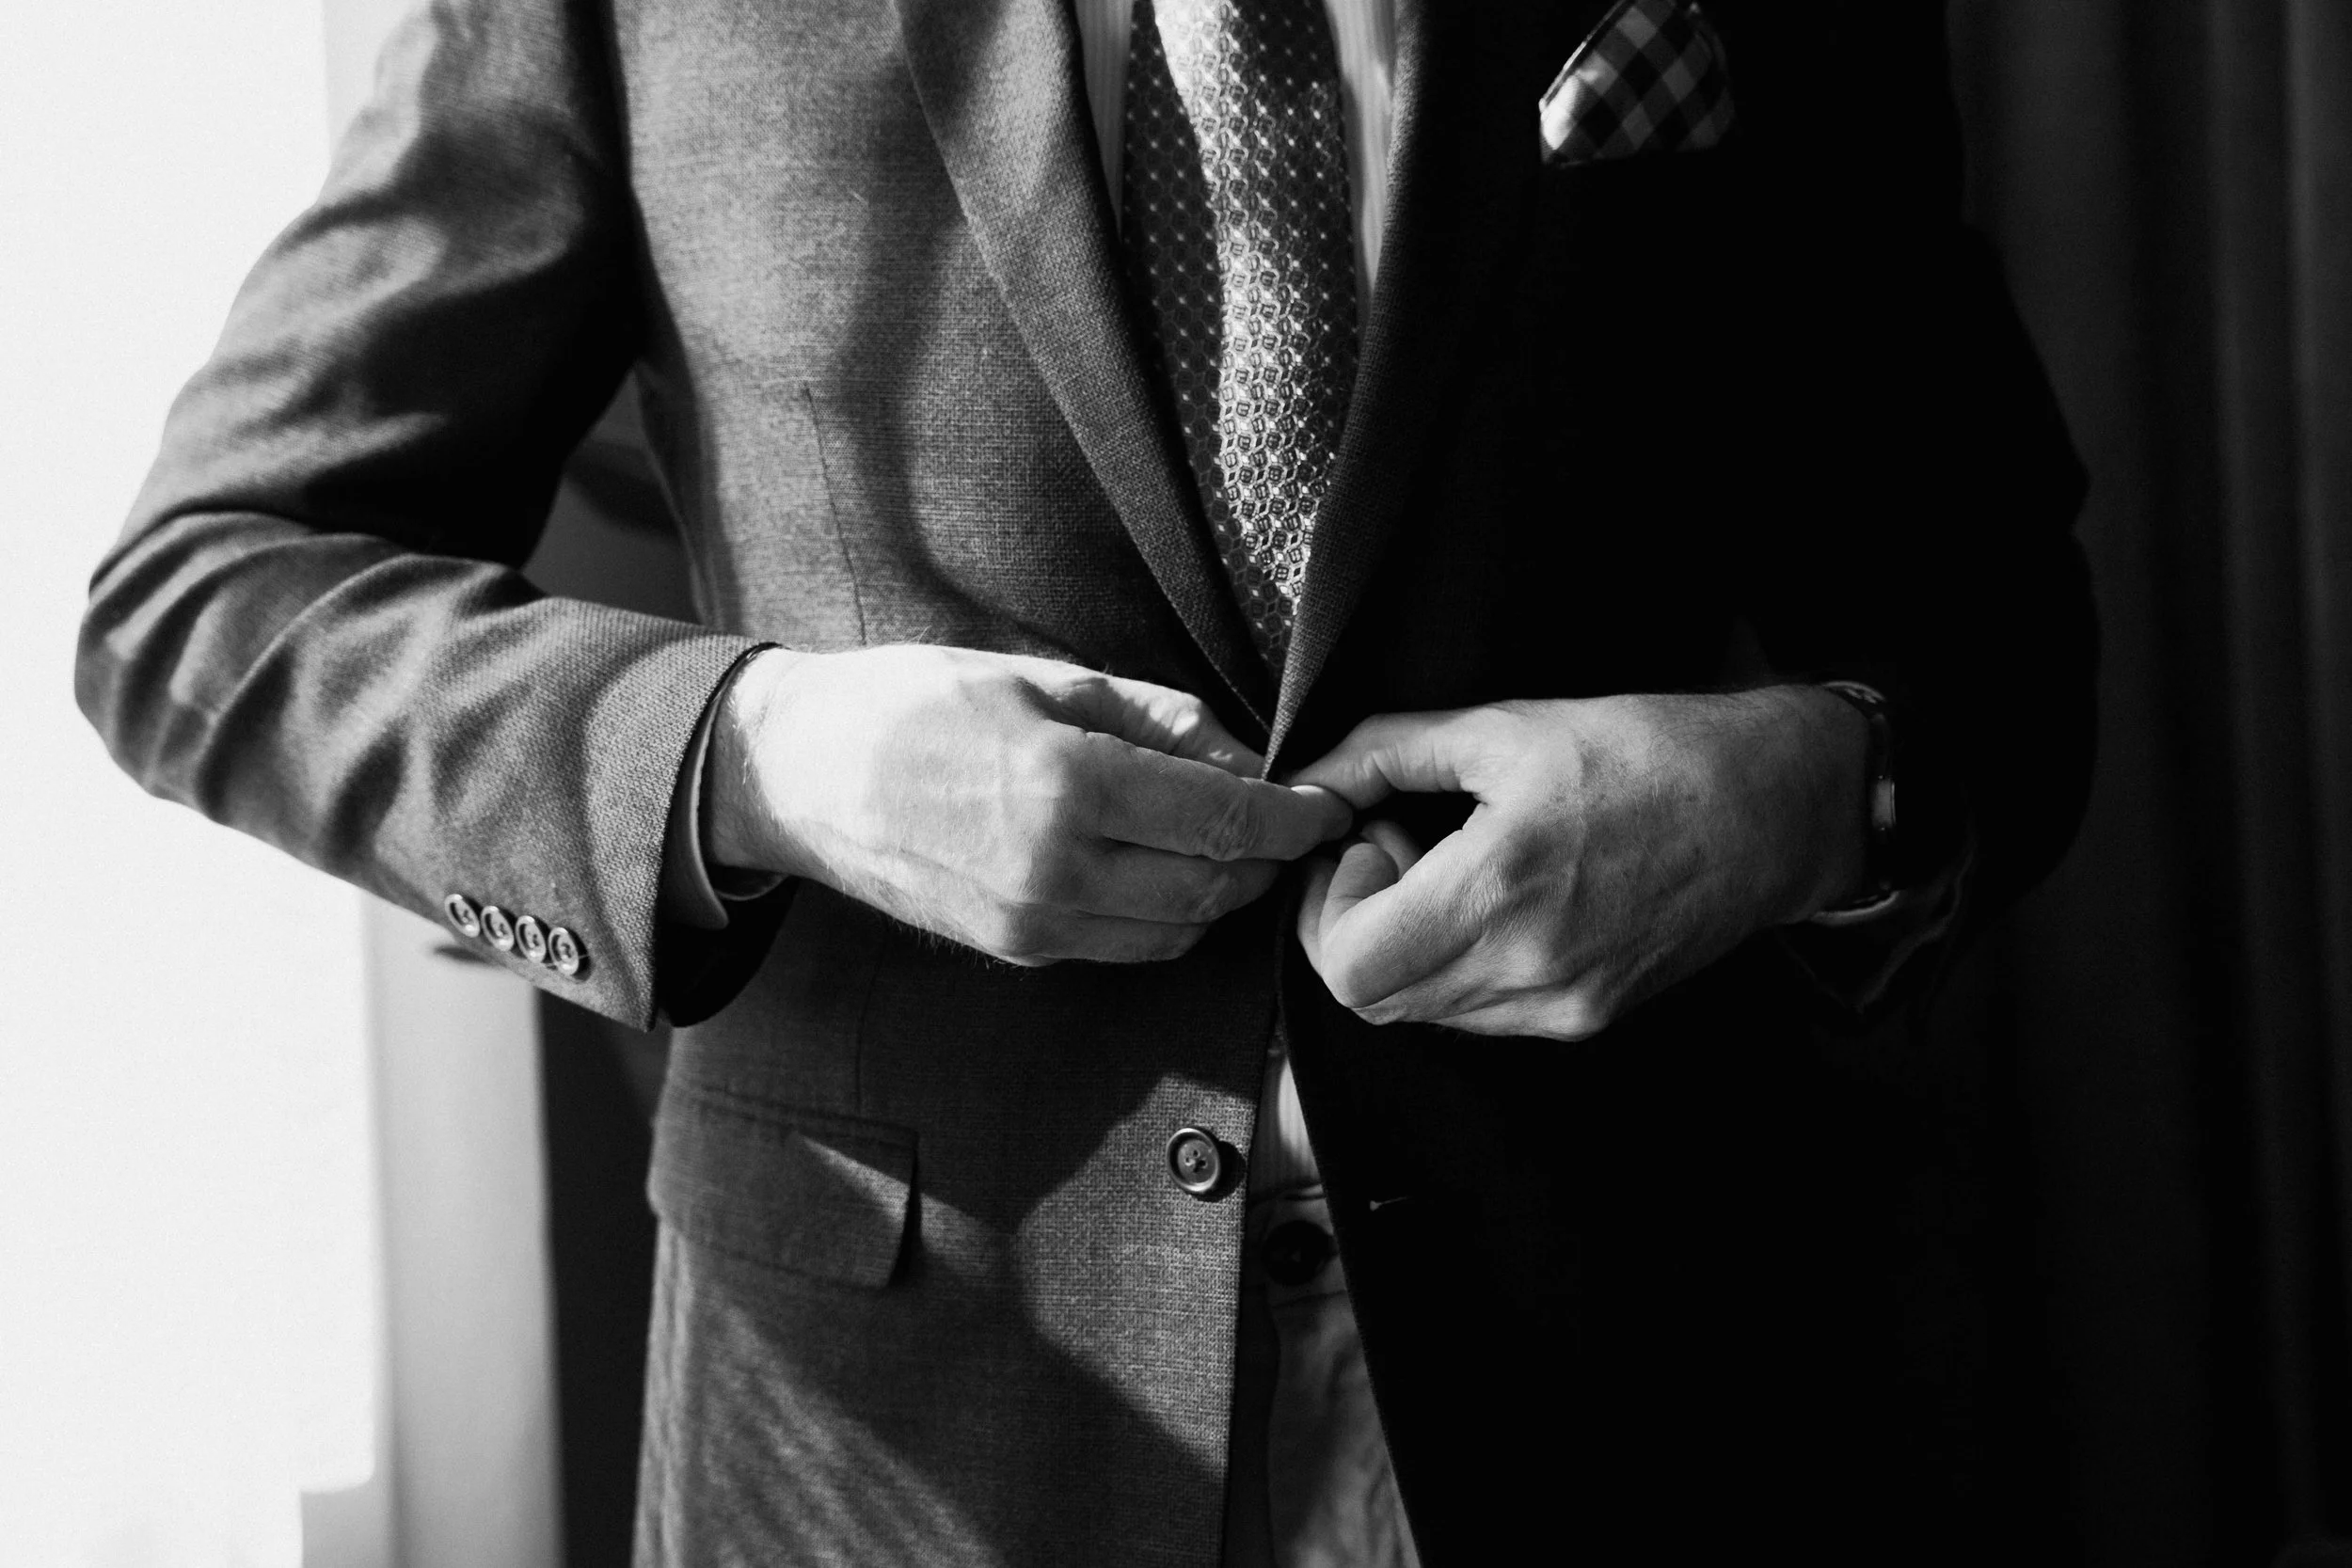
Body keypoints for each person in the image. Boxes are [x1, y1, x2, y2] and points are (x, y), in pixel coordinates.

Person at [77, 0, 2096, 1560]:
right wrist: (766, 754)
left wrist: (1801, 791)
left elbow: (1998, 614)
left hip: (1665, 1376)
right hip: (915, 1433)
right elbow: (205, 598)